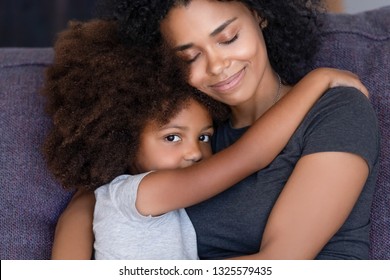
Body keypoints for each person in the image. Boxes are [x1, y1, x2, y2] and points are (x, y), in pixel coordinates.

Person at [43, 18, 370, 259]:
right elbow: (249, 157)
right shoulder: (142, 184)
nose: (218, 66)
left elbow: (280, 262)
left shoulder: (336, 109)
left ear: (260, 15)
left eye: (228, 37)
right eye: (189, 57)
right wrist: (317, 79)